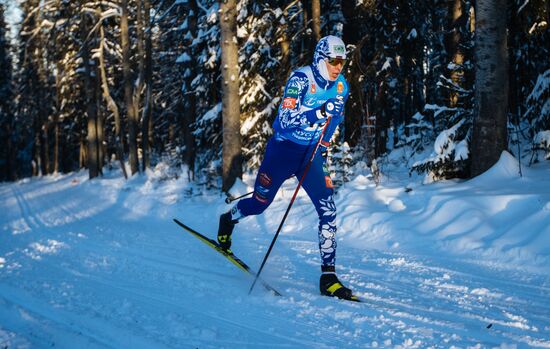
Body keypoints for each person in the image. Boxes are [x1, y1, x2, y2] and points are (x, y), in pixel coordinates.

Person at [217, 35, 355, 300]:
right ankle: (228, 218)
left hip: (310, 155)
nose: (338, 66)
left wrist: (324, 146)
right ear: (320, 58)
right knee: (259, 204)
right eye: (334, 61)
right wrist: (320, 111)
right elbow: (286, 118)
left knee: (328, 210)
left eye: (342, 62)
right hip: (283, 151)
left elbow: (336, 117)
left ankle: (328, 276)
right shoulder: (301, 80)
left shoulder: (341, 87)